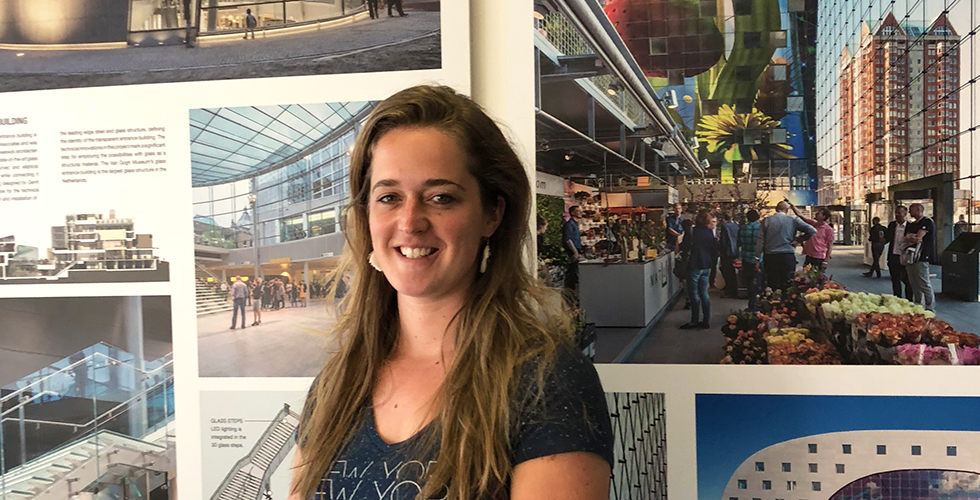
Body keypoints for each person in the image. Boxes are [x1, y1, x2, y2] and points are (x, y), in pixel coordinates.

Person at [288, 86, 613, 500]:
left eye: (440, 197)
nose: (410, 222)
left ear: (492, 214)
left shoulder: (546, 382)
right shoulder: (336, 384)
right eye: (389, 197)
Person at [756, 201, 816, 291]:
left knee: (772, 284)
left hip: (770, 256)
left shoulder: (766, 221)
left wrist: (757, 257)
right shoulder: (793, 220)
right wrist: (798, 240)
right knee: (788, 284)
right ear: (787, 210)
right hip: (787, 255)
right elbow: (812, 231)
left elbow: (760, 240)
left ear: (776, 209)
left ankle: (773, 298)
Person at [681, 210, 719, 330]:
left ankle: (694, 320)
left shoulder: (691, 231)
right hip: (706, 265)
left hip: (694, 265)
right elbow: (714, 249)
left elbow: (685, 247)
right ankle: (706, 320)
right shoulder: (709, 232)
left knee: (693, 294)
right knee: (704, 293)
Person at [904, 203, 937, 311]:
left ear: (919, 210)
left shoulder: (927, 222)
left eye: (911, 210)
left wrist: (913, 237)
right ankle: (918, 304)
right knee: (913, 282)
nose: (909, 212)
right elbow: (905, 237)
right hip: (910, 256)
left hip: (922, 255)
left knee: (923, 282)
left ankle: (930, 307)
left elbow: (918, 237)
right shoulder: (912, 224)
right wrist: (913, 237)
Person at [790, 204, 834, 270]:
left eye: (819, 213)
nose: (816, 214)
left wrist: (825, 261)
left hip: (819, 257)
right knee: (805, 274)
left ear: (824, 216)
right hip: (809, 255)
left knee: (816, 275)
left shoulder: (828, 229)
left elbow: (830, 246)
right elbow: (800, 215)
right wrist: (792, 206)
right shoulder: (812, 223)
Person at [885, 205, 912, 299]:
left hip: (905, 257)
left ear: (905, 214)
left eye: (899, 213)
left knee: (907, 280)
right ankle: (897, 298)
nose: (897, 215)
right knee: (895, 280)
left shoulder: (911, 226)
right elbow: (888, 237)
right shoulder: (892, 225)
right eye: (896, 213)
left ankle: (909, 300)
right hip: (894, 256)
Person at [738, 209, 762, 312]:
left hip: (746, 258)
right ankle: (758, 304)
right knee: (759, 283)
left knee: (749, 283)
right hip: (759, 259)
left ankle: (751, 305)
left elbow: (739, 242)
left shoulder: (743, 228)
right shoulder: (761, 228)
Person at [718, 211, 740, 298]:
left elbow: (723, 240)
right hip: (735, 250)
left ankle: (730, 289)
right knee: (732, 271)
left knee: (727, 271)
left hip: (727, 251)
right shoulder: (736, 226)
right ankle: (733, 288)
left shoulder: (725, 226)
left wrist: (721, 250)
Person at [562, 205, 584, 290]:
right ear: (572, 213)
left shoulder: (575, 224)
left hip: (576, 249)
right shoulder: (569, 225)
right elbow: (567, 239)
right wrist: (575, 252)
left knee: (574, 272)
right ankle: (569, 291)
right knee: (572, 272)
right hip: (572, 250)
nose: (581, 212)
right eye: (578, 211)